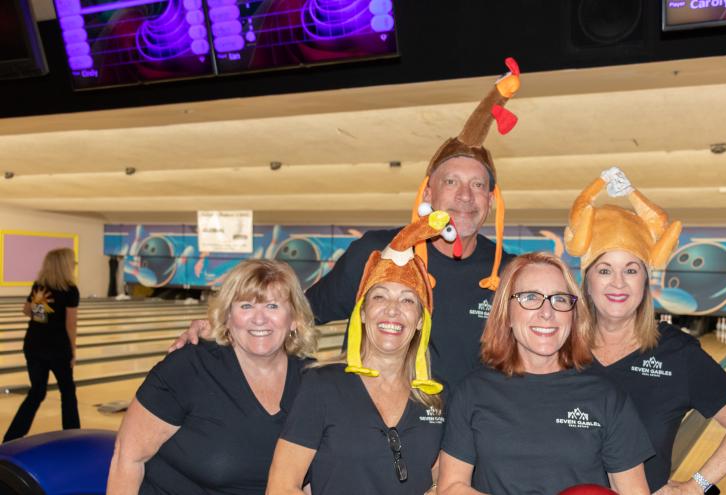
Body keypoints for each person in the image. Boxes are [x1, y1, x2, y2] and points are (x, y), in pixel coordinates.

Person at [170, 57, 523, 387]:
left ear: (491, 201)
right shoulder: (374, 252)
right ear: (428, 193)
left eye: (478, 186)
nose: (465, 196)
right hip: (373, 432)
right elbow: (300, 314)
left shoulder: (507, 272)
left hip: (462, 445)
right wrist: (219, 328)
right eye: (451, 182)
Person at [564, 167, 726, 494]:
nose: (618, 282)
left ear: (645, 280)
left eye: (631, 270)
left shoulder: (677, 354)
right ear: (587, 280)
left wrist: (695, 486)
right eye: (604, 270)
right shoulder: (556, 347)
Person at [267, 212, 453, 495]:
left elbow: (442, 479)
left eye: (407, 300)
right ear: (363, 313)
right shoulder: (322, 385)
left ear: (420, 321)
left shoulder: (437, 395)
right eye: (380, 296)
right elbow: (281, 487)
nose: (393, 309)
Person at [438, 252, 654, 495]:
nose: (547, 312)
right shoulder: (473, 391)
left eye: (560, 299)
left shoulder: (607, 397)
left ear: (573, 315)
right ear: (506, 313)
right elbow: (451, 487)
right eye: (530, 297)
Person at [107, 260, 319, 494]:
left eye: (273, 306)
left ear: (295, 319)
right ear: (227, 317)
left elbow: (306, 481)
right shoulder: (189, 368)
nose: (259, 319)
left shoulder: (313, 381)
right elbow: (127, 458)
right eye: (246, 306)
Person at [4, 247, 80, 442]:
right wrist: (73, 350)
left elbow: (28, 312)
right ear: (65, 265)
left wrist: (40, 306)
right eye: (72, 262)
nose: (74, 265)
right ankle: (73, 436)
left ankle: (11, 438)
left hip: (34, 344)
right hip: (57, 348)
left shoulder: (39, 285)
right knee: (68, 392)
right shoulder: (70, 290)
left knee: (36, 392)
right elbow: (70, 324)